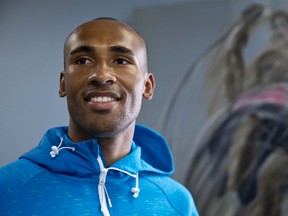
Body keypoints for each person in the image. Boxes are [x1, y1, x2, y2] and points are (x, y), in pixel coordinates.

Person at [0, 17, 198, 215]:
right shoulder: (6, 189)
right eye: (83, 61)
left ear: (147, 86)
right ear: (63, 84)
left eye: (121, 61)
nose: (101, 76)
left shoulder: (177, 203)